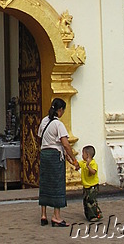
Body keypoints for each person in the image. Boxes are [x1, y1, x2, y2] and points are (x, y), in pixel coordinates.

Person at [38, 97, 79, 227]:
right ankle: (56, 216)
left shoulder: (44, 121)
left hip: (45, 154)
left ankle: (43, 214)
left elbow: (40, 136)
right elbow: (66, 144)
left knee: (45, 183)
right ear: (60, 110)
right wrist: (73, 159)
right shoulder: (58, 124)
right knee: (57, 185)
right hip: (55, 156)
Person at [75, 145, 103, 221]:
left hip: (93, 186)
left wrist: (88, 166)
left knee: (91, 200)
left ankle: (95, 215)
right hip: (86, 186)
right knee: (86, 201)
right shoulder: (83, 162)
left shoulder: (93, 163)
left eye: (83, 153)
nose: (82, 155)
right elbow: (77, 165)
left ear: (87, 155)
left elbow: (93, 172)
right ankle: (89, 215)